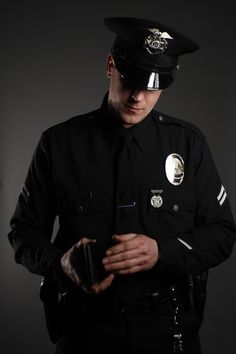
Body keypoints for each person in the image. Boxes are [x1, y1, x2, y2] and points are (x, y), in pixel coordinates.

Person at [8, 17, 236, 354]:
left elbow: (222, 234)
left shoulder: (188, 144)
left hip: (167, 331)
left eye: (153, 87)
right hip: (85, 331)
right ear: (110, 65)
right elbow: (23, 232)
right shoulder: (59, 144)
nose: (139, 98)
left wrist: (162, 251)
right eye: (131, 81)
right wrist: (60, 263)